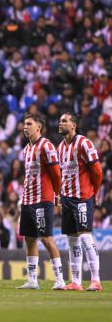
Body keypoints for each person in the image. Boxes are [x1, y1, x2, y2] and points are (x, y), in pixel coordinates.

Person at [18, 114, 65, 291]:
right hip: (28, 200)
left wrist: (57, 195)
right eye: (24, 124)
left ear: (39, 127)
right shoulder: (26, 149)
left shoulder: (46, 146)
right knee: (29, 239)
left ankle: (59, 279)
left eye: (29, 124)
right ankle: (32, 280)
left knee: (46, 238)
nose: (25, 127)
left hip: (42, 199)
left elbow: (56, 173)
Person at [57, 113, 103, 292]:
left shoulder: (84, 143)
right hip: (67, 198)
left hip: (83, 196)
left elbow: (97, 171)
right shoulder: (61, 147)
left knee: (85, 235)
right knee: (72, 239)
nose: (61, 123)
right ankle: (76, 281)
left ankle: (96, 280)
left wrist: (95, 192)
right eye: (60, 121)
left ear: (74, 126)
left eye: (65, 121)